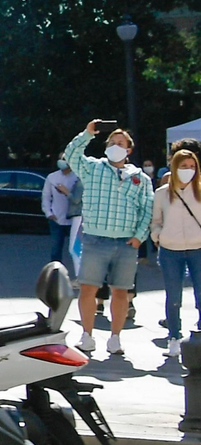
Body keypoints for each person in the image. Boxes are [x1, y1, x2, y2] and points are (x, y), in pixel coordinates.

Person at [64, 120, 153, 356]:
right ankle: (87, 336)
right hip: (95, 239)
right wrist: (87, 133)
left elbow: (147, 208)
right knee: (87, 289)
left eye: (120, 143)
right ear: (105, 147)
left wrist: (138, 237)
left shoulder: (140, 178)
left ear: (129, 150)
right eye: (112, 142)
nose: (115, 145)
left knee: (121, 291)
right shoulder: (92, 168)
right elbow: (72, 154)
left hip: (125, 243)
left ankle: (115, 337)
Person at [152, 147, 201, 358]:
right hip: (170, 249)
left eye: (192, 166)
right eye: (184, 166)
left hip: (197, 247)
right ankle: (174, 336)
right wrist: (158, 236)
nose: (188, 170)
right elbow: (156, 221)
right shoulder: (162, 193)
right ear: (174, 167)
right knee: (173, 295)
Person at [42, 159, 80, 267]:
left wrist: (66, 191)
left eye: (65, 158)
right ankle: (55, 272)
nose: (61, 161)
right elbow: (46, 196)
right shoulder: (52, 177)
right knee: (56, 248)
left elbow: (78, 198)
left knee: (76, 249)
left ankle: (79, 273)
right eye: (60, 158)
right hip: (56, 219)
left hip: (74, 219)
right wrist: (48, 213)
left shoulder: (77, 177)